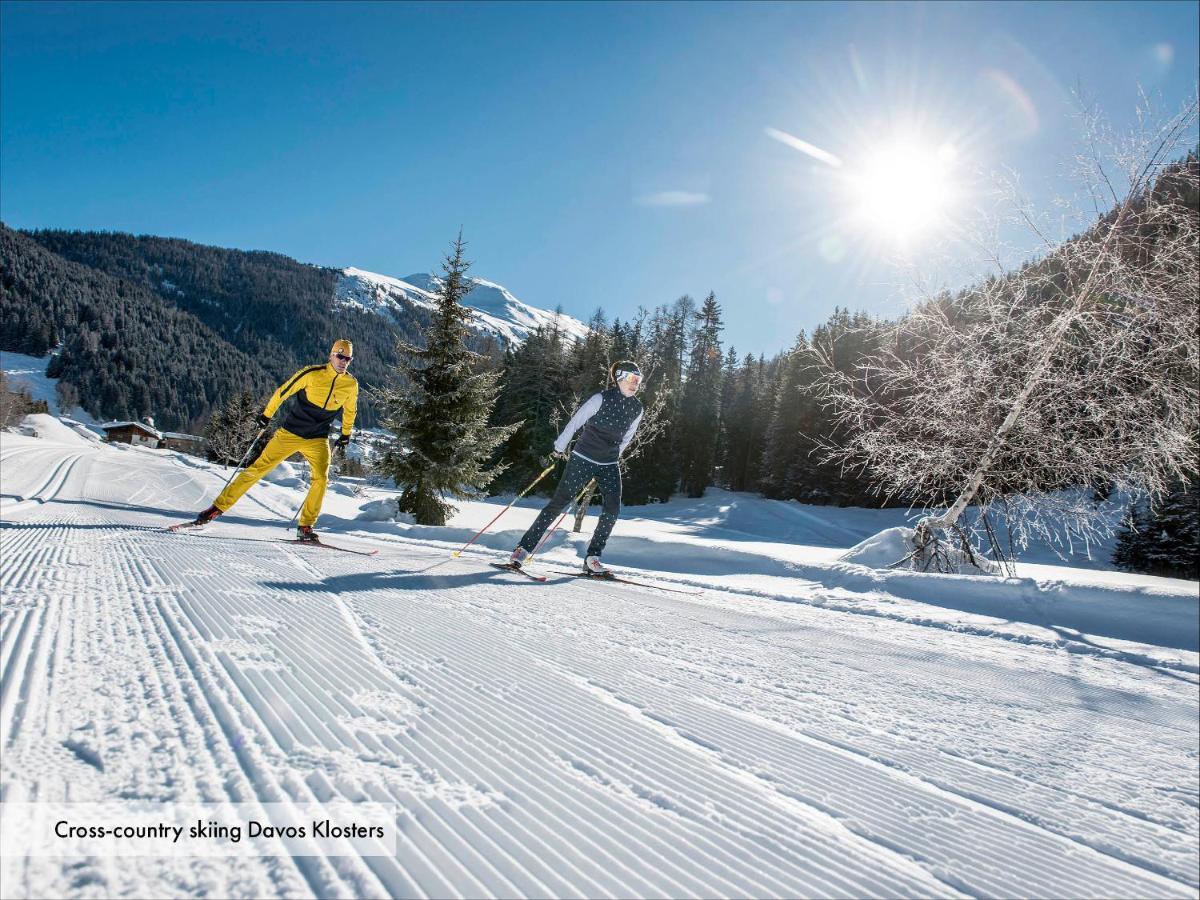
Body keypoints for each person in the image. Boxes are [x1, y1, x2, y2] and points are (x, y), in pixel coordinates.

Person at [188, 339, 359, 540]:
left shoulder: (351, 384)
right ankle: (216, 508)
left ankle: (305, 527)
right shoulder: (312, 374)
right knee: (257, 469)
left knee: (321, 479)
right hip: (290, 433)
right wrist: (266, 415)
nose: (343, 361)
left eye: (347, 358)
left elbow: (350, 410)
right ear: (331, 355)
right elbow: (283, 392)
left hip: (317, 438)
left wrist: (346, 434)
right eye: (340, 356)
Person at [509, 360, 644, 574]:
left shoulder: (637, 408)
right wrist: (559, 447)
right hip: (583, 457)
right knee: (558, 504)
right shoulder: (601, 398)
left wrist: (611, 458)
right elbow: (575, 422)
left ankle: (592, 558)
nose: (635, 383)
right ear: (619, 378)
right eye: (632, 378)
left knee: (612, 509)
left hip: (609, 463)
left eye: (639, 380)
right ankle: (522, 550)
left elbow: (627, 438)